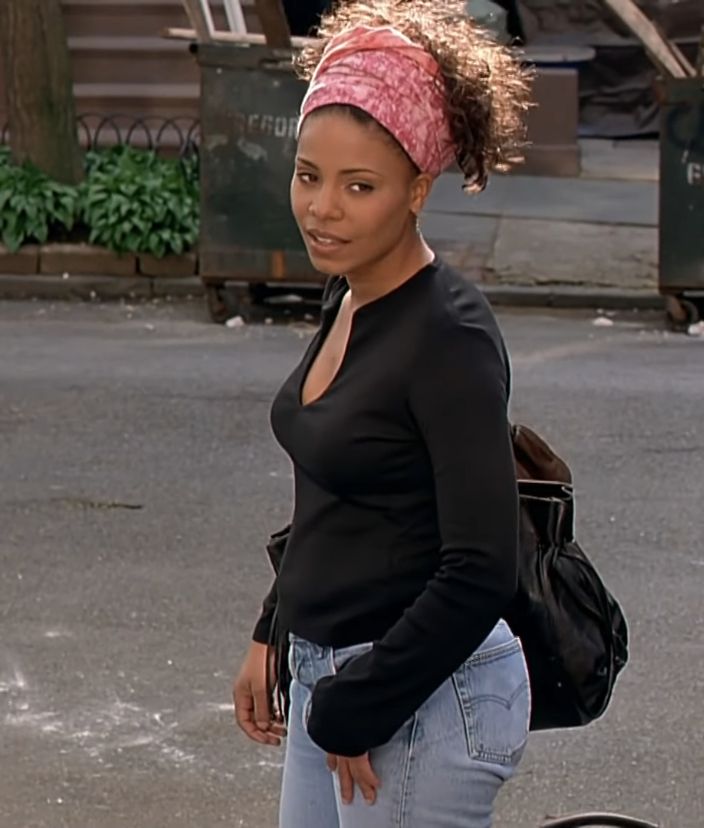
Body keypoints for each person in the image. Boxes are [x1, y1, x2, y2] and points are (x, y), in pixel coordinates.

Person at [234, 2, 533, 826]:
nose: (323, 208)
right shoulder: (348, 295)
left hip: (427, 694)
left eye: (358, 186)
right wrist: (275, 628)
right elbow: (332, 494)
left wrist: (362, 701)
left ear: (416, 190)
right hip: (336, 677)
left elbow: (481, 567)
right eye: (308, 175)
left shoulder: (450, 335)